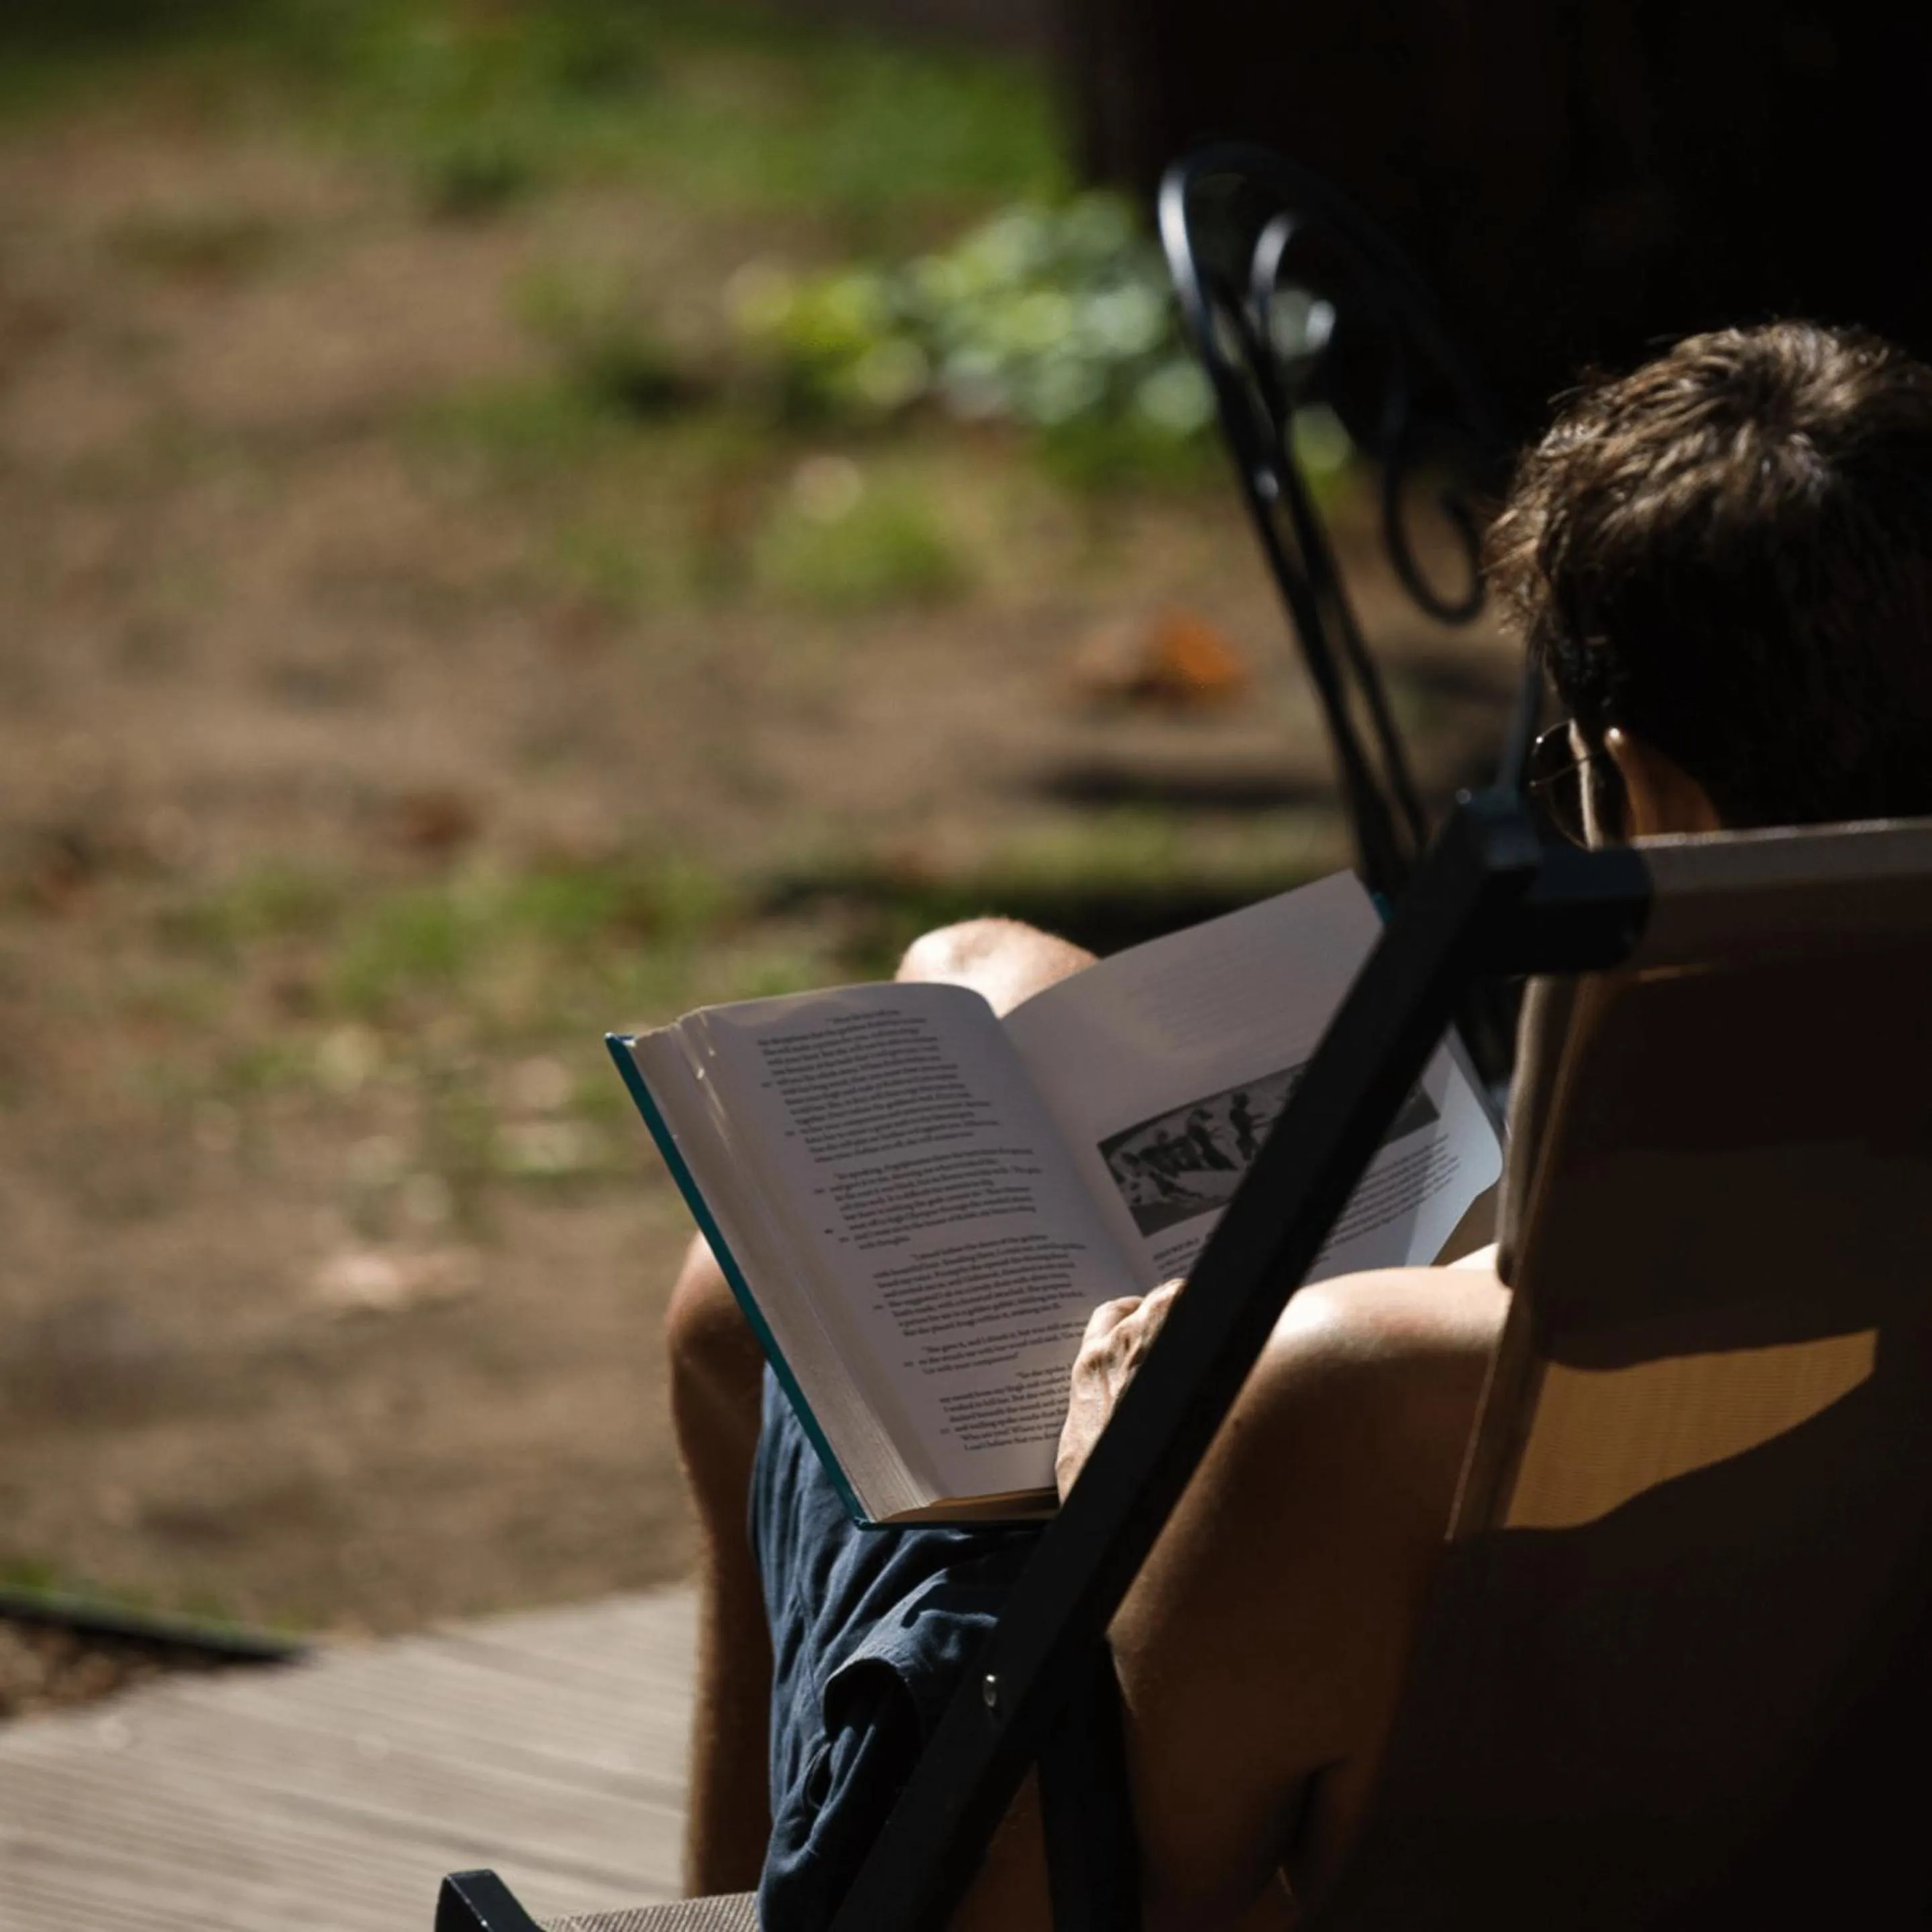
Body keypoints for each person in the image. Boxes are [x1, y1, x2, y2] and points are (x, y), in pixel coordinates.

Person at [663, 321, 1932, 1929]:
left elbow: (1043, 1907)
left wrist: (1122, 1498)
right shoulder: (1779, 1307)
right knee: (964, 1012)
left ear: (1655, 802)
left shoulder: (1363, 1408)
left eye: (1569, 775)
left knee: (758, 1277)